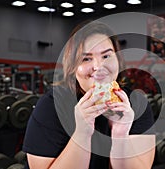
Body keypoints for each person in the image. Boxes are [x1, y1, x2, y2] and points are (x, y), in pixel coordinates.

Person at [22, 21, 156, 169]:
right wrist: (82, 133)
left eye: (106, 56)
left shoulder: (136, 105)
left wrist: (120, 135)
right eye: (86, 58)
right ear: (72, 66)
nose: (98, 67)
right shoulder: (51, 106)